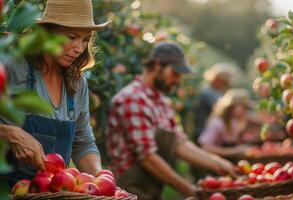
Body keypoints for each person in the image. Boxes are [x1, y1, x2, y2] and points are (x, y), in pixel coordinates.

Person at [106, 42, 236, 200]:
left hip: (151, 186)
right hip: (128, 190)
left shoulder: (163, 102)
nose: (178, 80)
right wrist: (189, 190)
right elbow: (147, 157)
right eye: (175, 73)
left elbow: (179, 143)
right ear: (158, 65)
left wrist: (218, 163)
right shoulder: (132, 99)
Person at [0, 0, 109, 185]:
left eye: (85, 40)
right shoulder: (13, 67)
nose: (79, 48)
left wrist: (100, 179)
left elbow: (83, 142)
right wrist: (9, 133)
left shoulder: (77, 83)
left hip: (47, 192)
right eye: (72, 37)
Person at [198, 89, 261, 157]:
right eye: (243, 107)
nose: (244, 110)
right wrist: (234, 151)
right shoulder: (218, 123)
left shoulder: (235, 122)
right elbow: (206, 148)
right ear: (231, 107)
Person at [192, 63, 233, 143]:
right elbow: (221, 107)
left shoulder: (220, 93)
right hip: (203, 132)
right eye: (218, 79)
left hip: (212, 134)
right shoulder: (206, 92)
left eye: (223, 81)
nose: (220, 83)